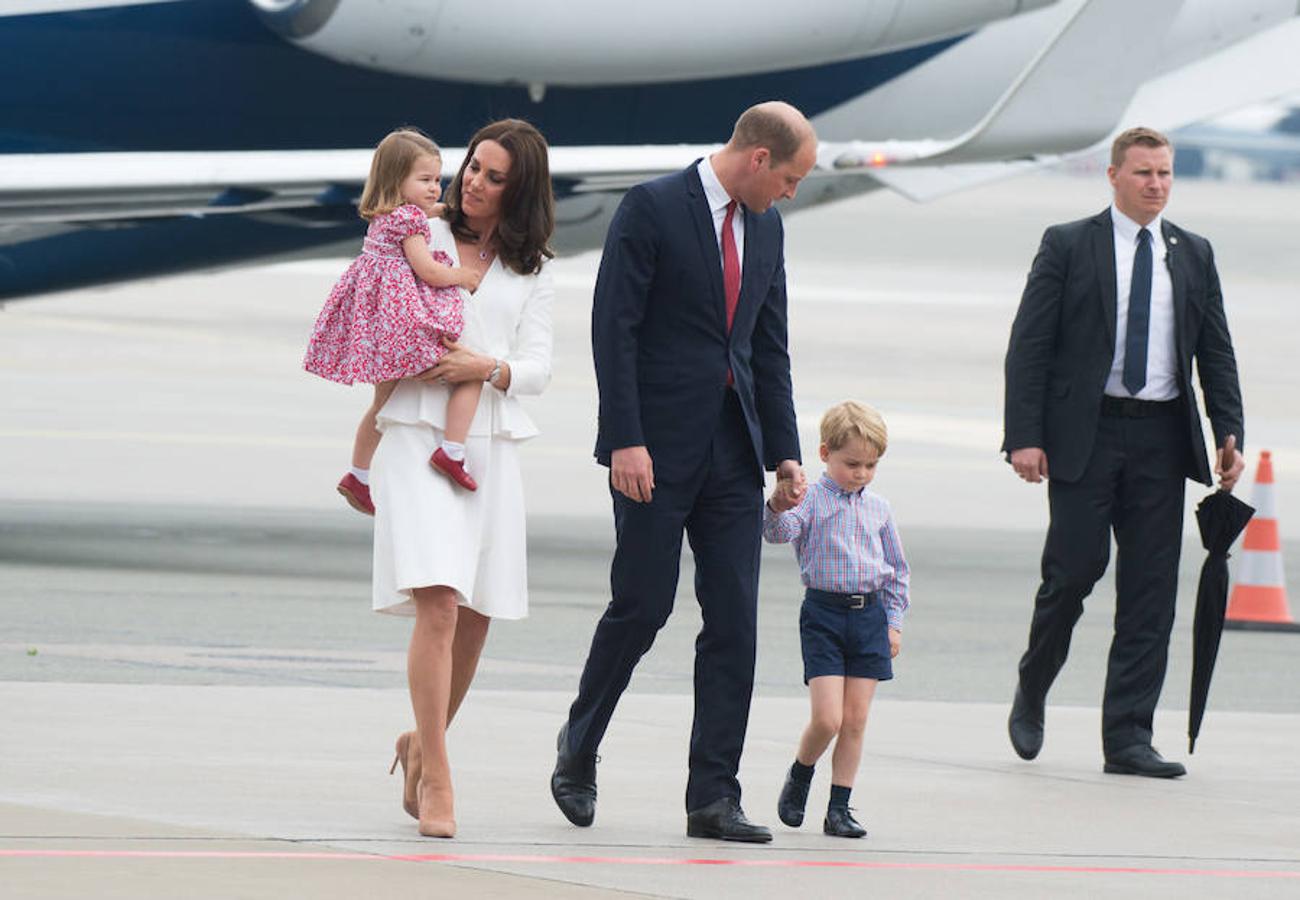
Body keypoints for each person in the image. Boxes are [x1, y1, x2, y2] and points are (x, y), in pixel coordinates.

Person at [551, 101, 817, 843]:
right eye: (791, 177)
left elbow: (770, 348)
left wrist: (784, 452)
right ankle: (579, 745)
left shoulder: (766, 226)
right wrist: (625, 440)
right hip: (656, 452)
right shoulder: (652, 208)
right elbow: (615, 330)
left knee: (734, 621)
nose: (793, 192)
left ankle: (714, 796)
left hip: (734, 453)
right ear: (759, 159)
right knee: (642, 606)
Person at [1002, 126, 1245, 778]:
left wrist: (1229, 432)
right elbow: (1030, 346)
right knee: (1074, 572)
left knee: (1151, 594)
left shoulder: (1192, 253)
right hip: (1089, 434)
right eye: (1143, 173)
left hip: (1163, 439)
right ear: (1113, 175)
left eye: (1164, 173)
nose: (1156, 185)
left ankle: (1129, 737)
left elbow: (1215, 351)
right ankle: (1034, 686)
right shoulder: (1069, 244)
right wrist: (1024, 436)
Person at [373, 119, 555, 838]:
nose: (473, 182)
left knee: (476, 615)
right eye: (472, 167)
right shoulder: (418, 232)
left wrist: (489, 369)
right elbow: (376, 311)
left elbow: (538, 368)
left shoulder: (533, 268)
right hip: (418, 432)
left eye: (493, 175)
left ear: (521, 190)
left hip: (491, 442)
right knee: (440, 603)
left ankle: (420, 741)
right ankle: (442, 777)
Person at [304, 128, 485, 512]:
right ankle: (451, 451)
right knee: (469, 372)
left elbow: (424, 215)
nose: (435, 189)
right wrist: (463, 277)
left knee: (381, 403)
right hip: (401, 326)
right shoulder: (408, 221)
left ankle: (359, 473)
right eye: (425, 180)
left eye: (437, 180)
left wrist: (437, 211)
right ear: (395, 180)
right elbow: (428, 272)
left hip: (379, 327)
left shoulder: (387, 216)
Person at [763, 401, 908, 839]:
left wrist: (893, 622)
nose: (861, 473)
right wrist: (777, 504)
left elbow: (897, 570)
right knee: (829, 718)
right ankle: (801, 773)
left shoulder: (879, 509)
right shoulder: (811, 501)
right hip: (824, 614)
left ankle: (839, 807)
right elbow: (776, 533)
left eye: (870, 465)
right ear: (825, 453)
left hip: (870, 616)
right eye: (852, 463)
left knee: (856, 719)